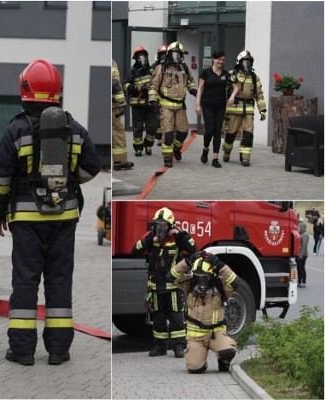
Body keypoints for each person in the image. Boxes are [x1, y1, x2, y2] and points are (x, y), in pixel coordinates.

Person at [0, 59, 101, 366]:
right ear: (57, 91)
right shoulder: (75, 128)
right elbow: (93, 167)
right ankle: (58, 350)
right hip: (64, 219)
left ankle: (23, 351)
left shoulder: (16, 129)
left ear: (24, 90)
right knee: (59, 281)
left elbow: (0, 178)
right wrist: (68, 181)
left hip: (25, 221)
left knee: (25, 283)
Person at [132, 207, 196, 358]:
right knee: (158, 319)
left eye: (164, 225)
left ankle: (179, 347)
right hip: (155, 287)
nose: (161, 228)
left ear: (171, 225)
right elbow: (135, 249)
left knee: (176, 318)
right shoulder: (150, 237)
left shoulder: (177, 238)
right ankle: (159, 347)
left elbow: (193, 249)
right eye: (158, 225)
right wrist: (150, 240)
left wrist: (179, 235)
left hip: (174, 287)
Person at [168, 251, 239, 373]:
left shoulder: (221, 287)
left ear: (212, 275)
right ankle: (201, 362)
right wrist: (188, 261)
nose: (201, 280)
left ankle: (223, 363)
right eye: (198, 276)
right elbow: (171, 276)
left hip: (216, 334)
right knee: (195, 369)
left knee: (227, 352)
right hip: (196, 337)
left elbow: (235, 282)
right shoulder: (189, 284)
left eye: (205, 276)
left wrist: (219, 264)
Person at [148, 42, 197, 167]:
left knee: (183, 132)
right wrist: (153, 100)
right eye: (174, 54)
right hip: (166, 106)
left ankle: (176, 149)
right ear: (169, 55)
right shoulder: (161, 68)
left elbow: (190, 81)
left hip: (180, 106)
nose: (176, 57)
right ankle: (167, 157)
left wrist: (193, 90)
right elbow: (153, 86)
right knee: (168, 134)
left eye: (179, 55)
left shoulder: (184, 68)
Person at [195, 50, 239, 168]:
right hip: (207, 104)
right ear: (214, 59)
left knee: (217, 131)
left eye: (223, 60)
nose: (221, 61)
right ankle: (205, 149)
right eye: (219, 59)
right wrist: (197, 104)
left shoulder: (225, 74)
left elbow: (236, 86)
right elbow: (200, 88)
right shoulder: (206, 72)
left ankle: (215, 158)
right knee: (209, 130)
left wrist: (232, 96)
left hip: (220, 105)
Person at [223, 50, 267, 167]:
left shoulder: (254, 78)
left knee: (248, 135)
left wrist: (262, 110)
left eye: (249, 62)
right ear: (239, 62)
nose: (247, 65)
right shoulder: (231, 74)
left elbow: (259, 95)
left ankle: (245, 158)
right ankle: (226, 152)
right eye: (245, 62)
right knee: (230, 135)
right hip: (233, 110)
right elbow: (223, 90)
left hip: (248, 110)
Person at [123, 46, 159, 157]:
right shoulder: (132, 72)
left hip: (150, 103)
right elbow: (125, 85)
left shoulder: (152, 70)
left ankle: (148, 145)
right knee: (137, 127)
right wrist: (138, 88)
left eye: (144, 56)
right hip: (137, 104)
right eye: (140, 57)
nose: (142, 59)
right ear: (136, 58)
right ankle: (138, 148)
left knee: (152, 126)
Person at [112, 59, 133, 171]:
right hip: (112, 106)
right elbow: (114, 82)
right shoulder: (111, 62)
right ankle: (120, 161)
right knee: (117, 132)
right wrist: (121, 103)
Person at [150, 44, 168, 147]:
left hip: (167, 96)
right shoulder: (154, 67)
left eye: (165, 54)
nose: (163, 56)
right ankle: (159, 136)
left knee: (165, 118)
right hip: (157, 95)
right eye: (161, 54)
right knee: (157, 118)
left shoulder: (171, 66)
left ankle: (162, 137)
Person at [297, 222, 309, 287]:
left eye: (299, 227)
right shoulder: (300, 234)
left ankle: (303, 282)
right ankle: (299, 282)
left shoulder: (305, 235)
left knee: (301, 268)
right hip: (298, 254)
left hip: (302, 255)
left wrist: (300, 256)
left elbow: (304, 246)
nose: (298, 228)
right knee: (298, 269)